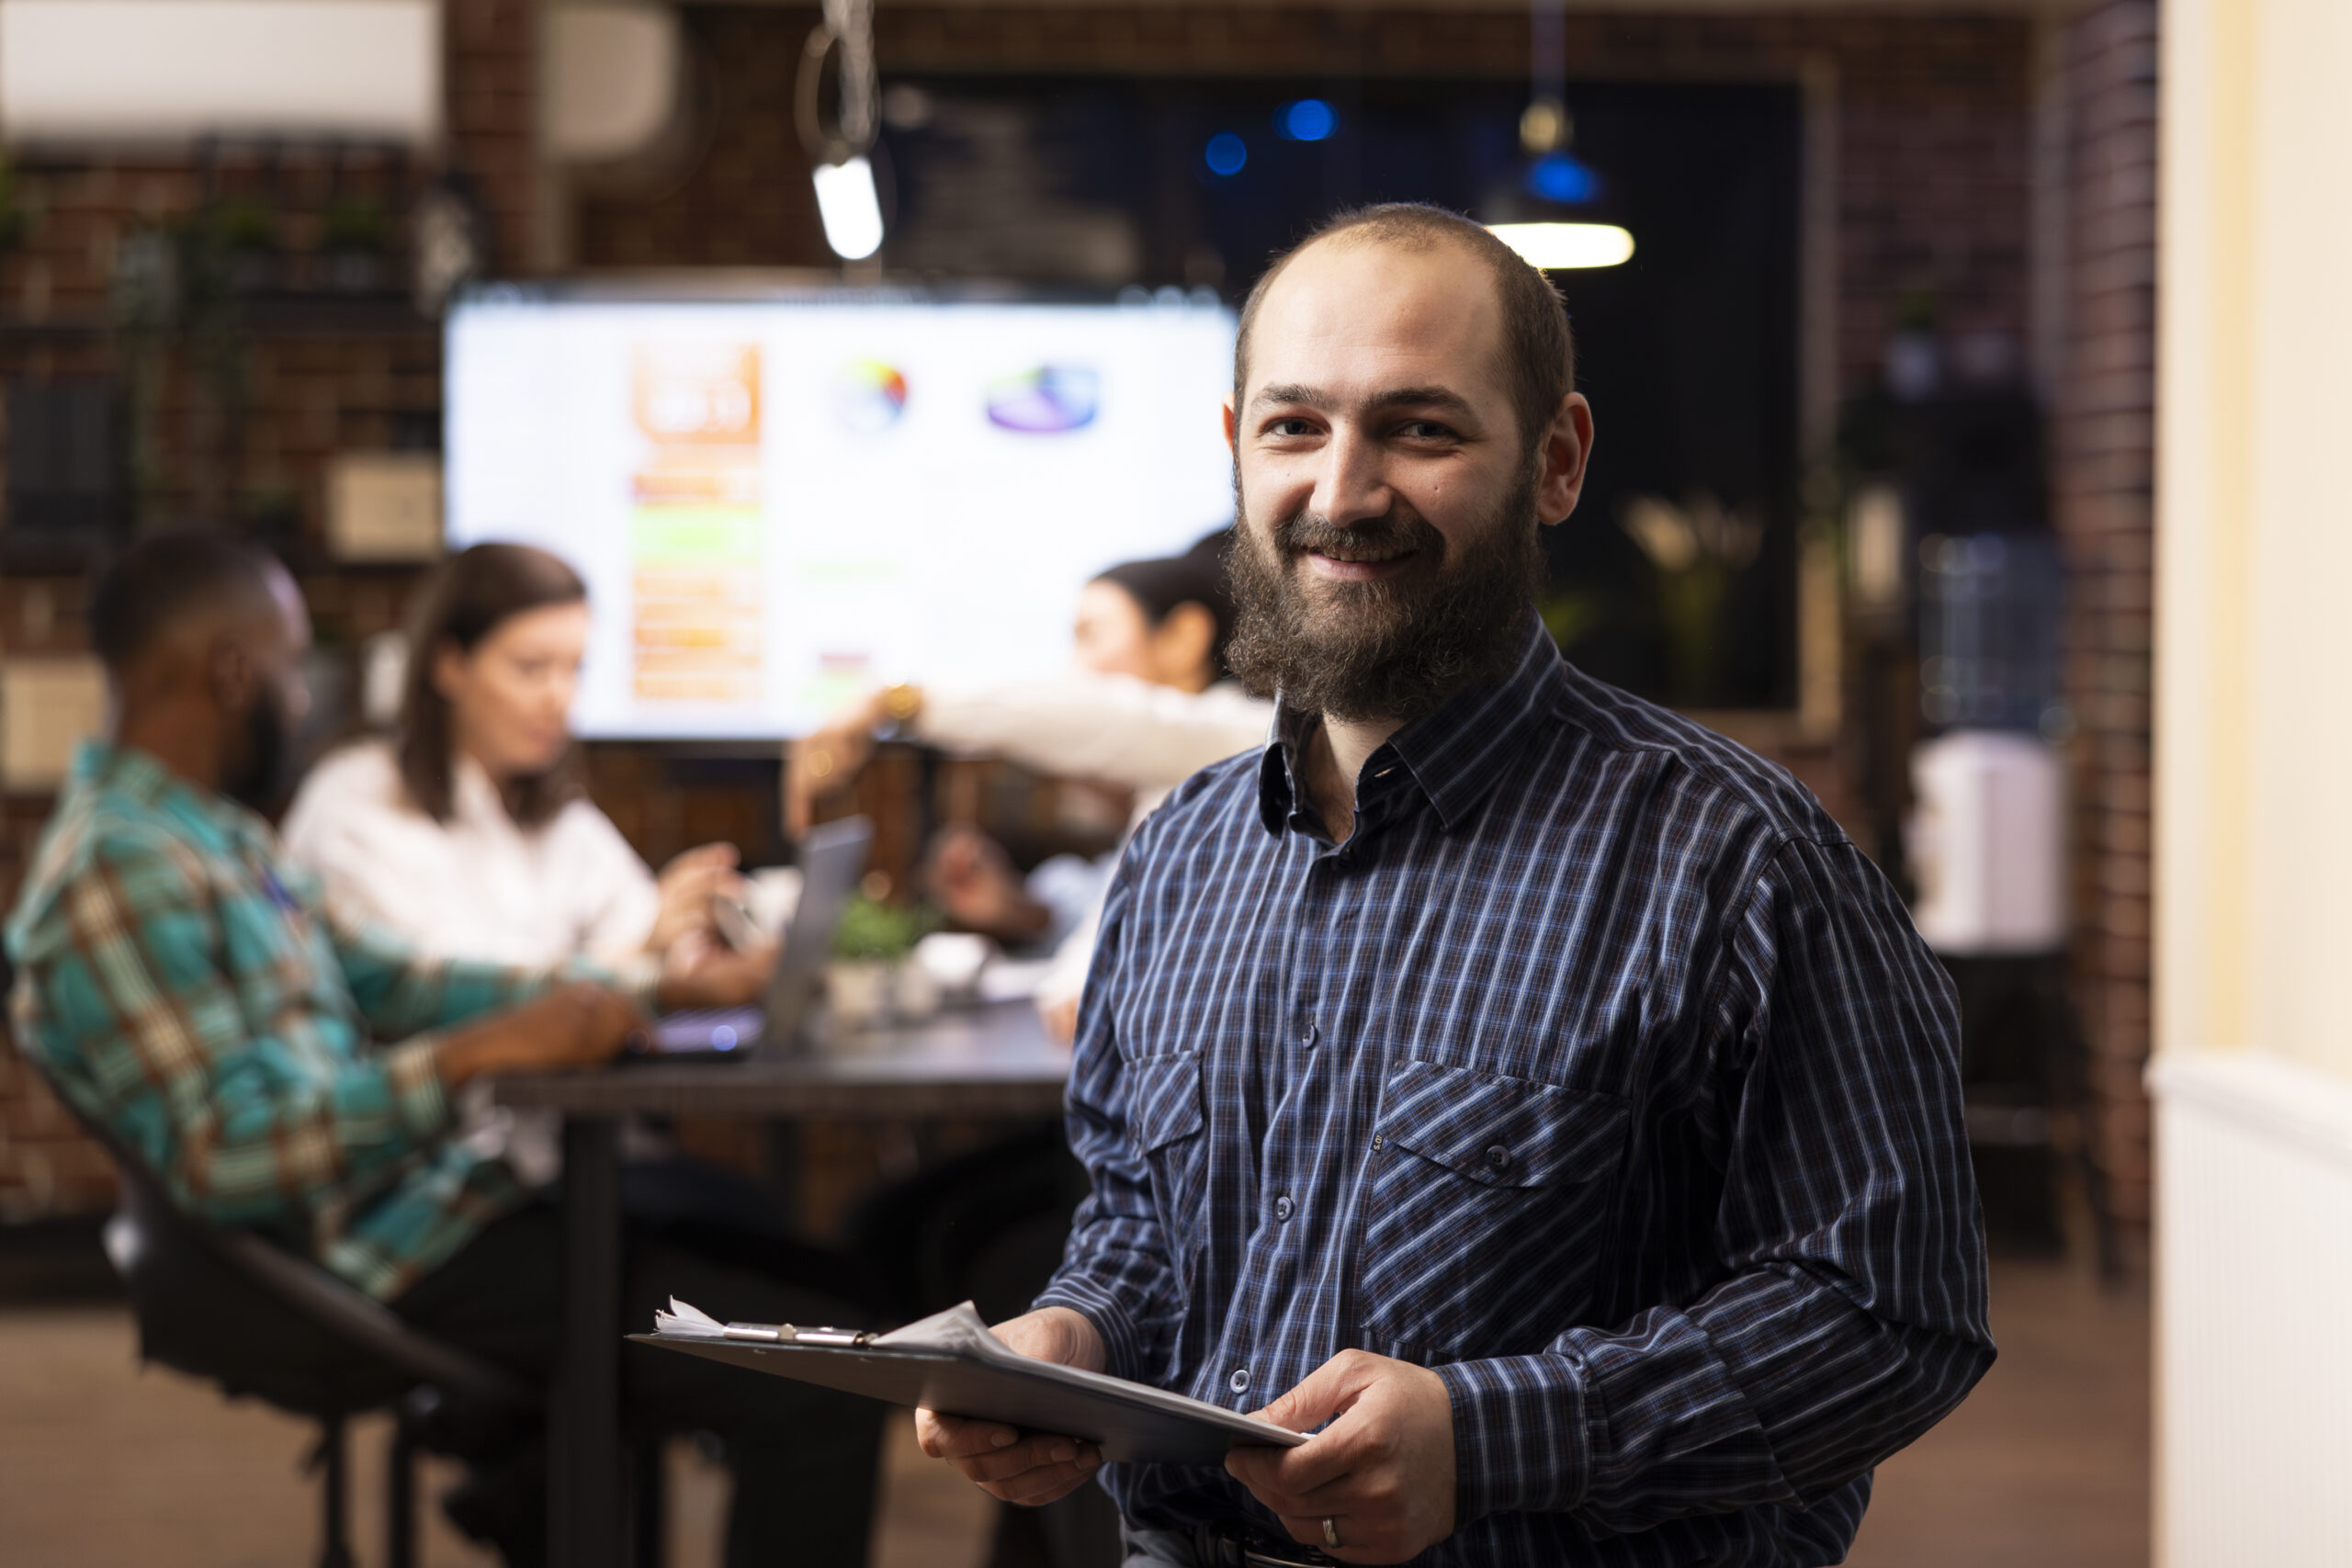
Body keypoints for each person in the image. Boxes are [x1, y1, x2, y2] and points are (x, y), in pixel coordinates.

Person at [915, 204, 1994, 1565]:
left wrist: (1493, 1434)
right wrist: (1071, 1337)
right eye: (1295, 426)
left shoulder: (1735, 858)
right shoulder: (1182, 850)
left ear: (1556, 460)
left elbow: (1895, 1313)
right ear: (1236, 446)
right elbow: (1144, 1220)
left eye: (1420, 429)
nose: (1344, 491)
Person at [3, 533, 885, 1568]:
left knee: (817, 1295)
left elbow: (398, 981)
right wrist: (474, 1056)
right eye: (295, 669)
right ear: (234, 674)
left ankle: (531, 1468)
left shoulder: (204, 834)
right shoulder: (120, 867)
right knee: (823, 1382)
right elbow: (227, 1155)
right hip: (369, 1254)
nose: (307, 698)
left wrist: (643, 986)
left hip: (431, 1207)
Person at [787, 538, 1273, 1037]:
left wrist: (893, 702)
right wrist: (1028, 914)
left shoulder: (1241, 731)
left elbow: (1113, 718)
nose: (1072, 672)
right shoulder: (1181, 790)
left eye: (1090, 636)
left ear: (1183, 638)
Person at [283, 543, 743, 977]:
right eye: (531, 668)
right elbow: (443, 998)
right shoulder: (354, 807)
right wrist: (633, 956)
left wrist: (688, 931)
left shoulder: (558, 817)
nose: (559, 697)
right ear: (449, 664)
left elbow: (637, 919)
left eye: (574, 669)